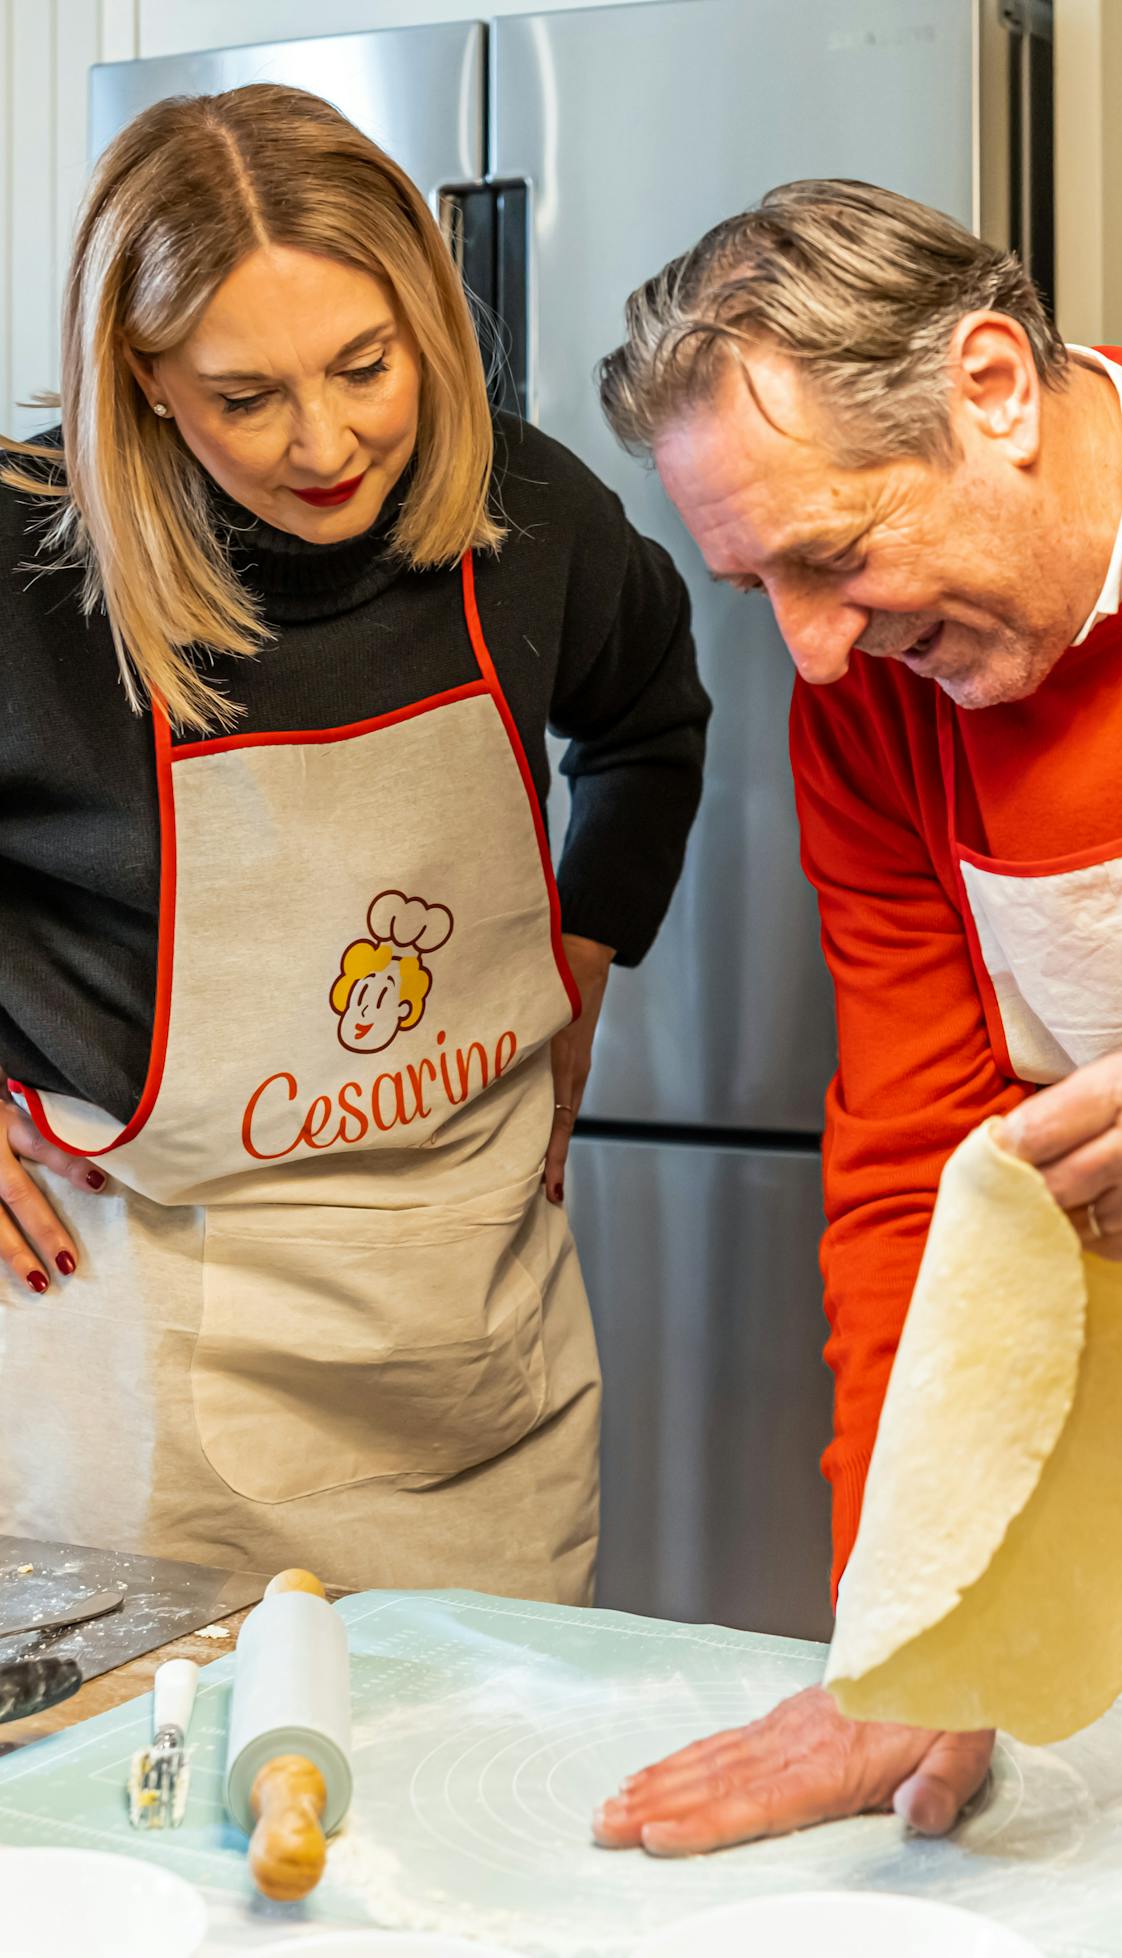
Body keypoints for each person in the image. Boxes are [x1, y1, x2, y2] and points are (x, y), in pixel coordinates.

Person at [0, 83, 708, 1602]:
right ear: (138, 376)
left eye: (366, 366)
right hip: (140, 1345)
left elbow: (649, 718)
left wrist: (585, 951)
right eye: (243, 395)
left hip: (470, 1329)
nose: (324, 444)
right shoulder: (23, 571)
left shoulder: (528, 515)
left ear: (427, 323)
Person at [591, 177, 1122, 1851]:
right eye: (756, 591)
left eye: (836, 556)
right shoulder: (876, 718)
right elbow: (912, 1170)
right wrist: (907, 1624)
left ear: (993, 388)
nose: (818, 655)